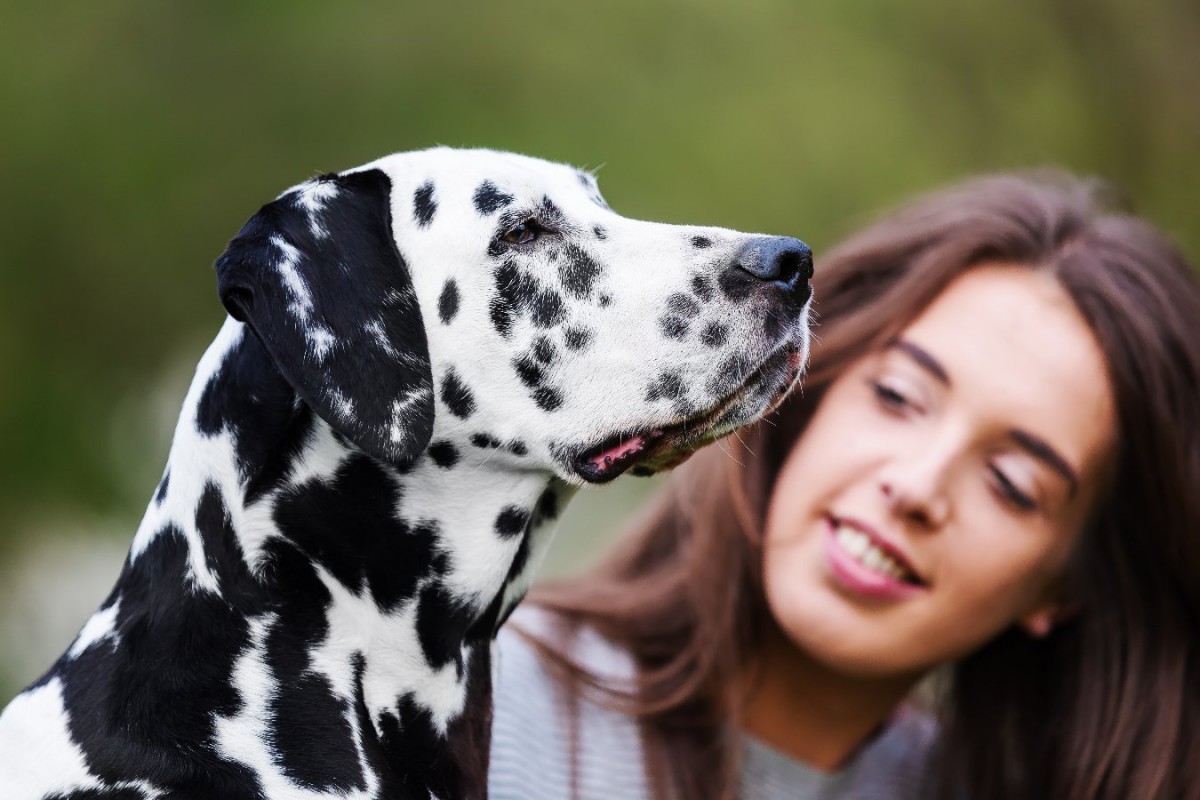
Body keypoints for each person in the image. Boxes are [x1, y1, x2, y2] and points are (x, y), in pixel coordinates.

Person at [486, 171, 1200, 800]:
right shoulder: (466, 705)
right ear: (805, 391)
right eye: (897, 396)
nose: (916, 486)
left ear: (1066, 586)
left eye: (1011, 483)